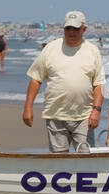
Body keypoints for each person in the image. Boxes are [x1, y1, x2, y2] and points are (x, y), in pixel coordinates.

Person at [22, 10, 104, 153]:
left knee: (86, 160)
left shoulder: (92, 50)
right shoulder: (50, 48)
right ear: (64, 28)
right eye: (68, 28)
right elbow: (35, 79)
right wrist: (28, 108)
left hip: (84, 116)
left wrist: (96, 111)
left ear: (84, 29)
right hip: (55, 115)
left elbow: (98, 84)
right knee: (60, 162)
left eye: (76, 28)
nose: (71, 32)